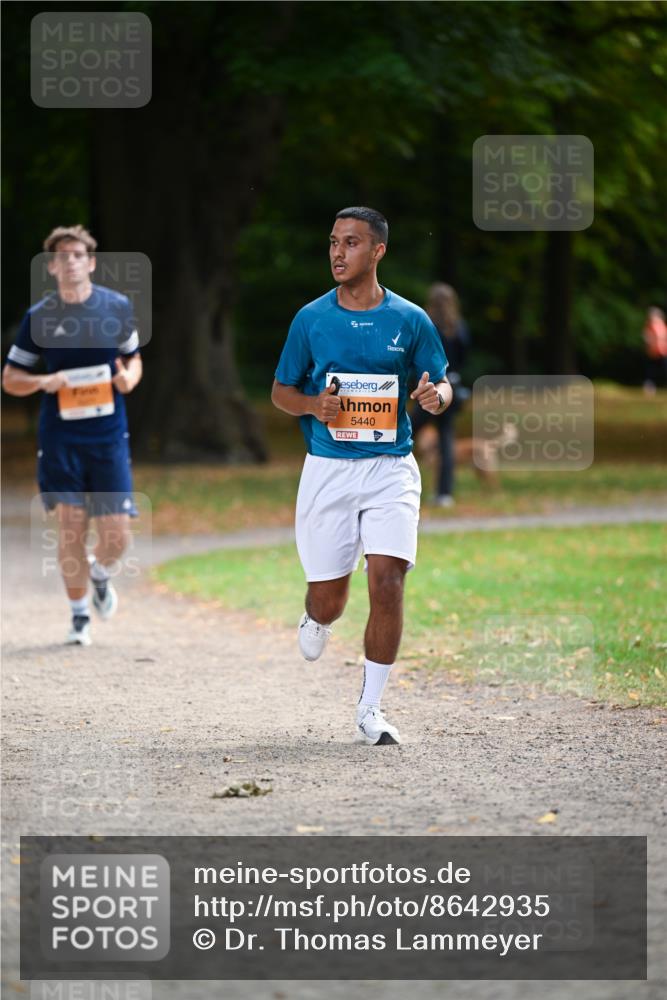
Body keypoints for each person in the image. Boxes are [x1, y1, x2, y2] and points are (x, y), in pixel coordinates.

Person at [272, 206, 452, 746]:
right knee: (330, 598)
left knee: (388, 580)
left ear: (378, 251)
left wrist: (435, 397)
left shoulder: (410, 319)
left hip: (390, 468)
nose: (338, 252)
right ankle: (317, 617)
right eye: (333, 242)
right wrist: (313, 405)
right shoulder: (311, 319)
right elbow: (281, 392)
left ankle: (371, 708)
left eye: (351, 243)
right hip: (329, 469)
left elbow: (443, 384)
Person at [2, 225, 142, 646]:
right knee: (70, 527)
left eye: (78, 255)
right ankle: (79, 616)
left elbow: (133, 359)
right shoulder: (40, 317)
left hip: (108, 435)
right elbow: (11, 378)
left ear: (91, 262)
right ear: (51, 266)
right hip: (60, 438)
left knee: (117, 535)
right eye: (62, 257)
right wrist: (44, 382)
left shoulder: (117, 307)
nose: (70, 262)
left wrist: (128, 380)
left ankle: (99, 573)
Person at [410, 283, 470, 506]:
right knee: (446, 440)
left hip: (429, 387)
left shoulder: (427, 325)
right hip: (450, 388)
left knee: (405, 430)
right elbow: (464, 358)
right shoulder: (459, 327)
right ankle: (445, 493)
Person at [642, 306, 667, 395]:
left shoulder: (662, 325)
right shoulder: (650, 325)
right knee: (651, 370)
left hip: (663, 351)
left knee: (664, 368)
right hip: (653, 352)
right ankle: (649, 386)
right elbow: (646, 337)